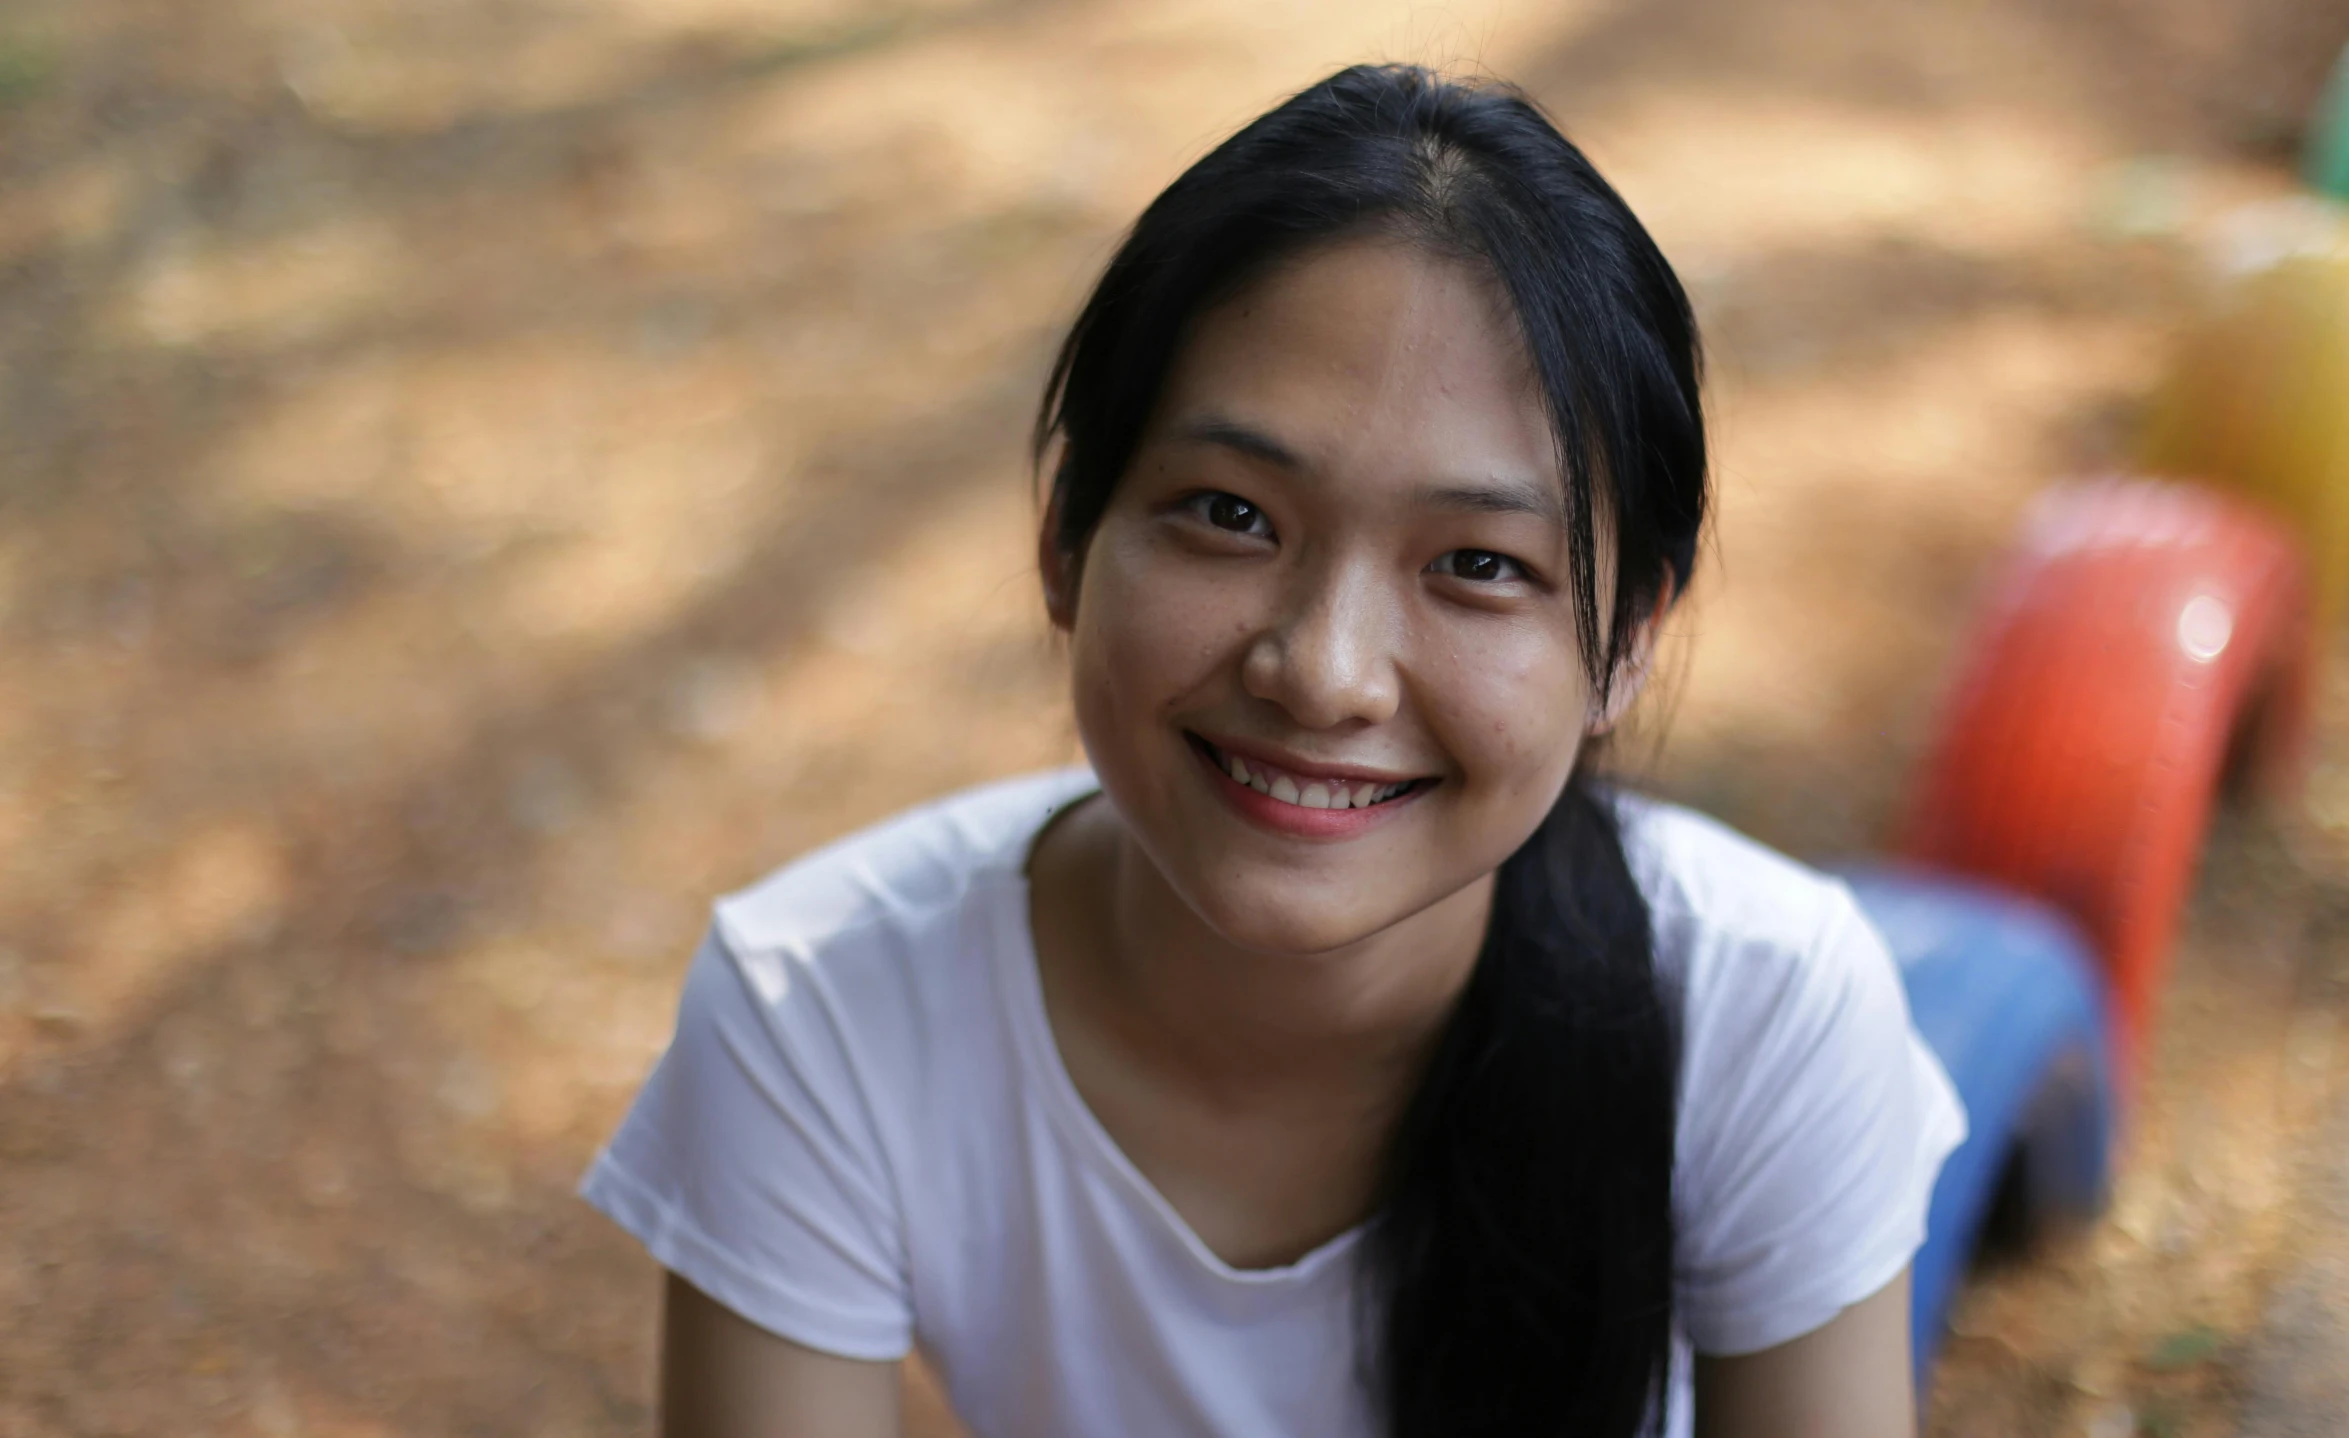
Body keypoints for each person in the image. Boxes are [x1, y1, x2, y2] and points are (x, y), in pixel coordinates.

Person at [582, 63, 1965, 1438]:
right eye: (1232, 514)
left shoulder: (1758, 1013)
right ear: (1066, 539)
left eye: (1480, 562)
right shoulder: (823, 1013)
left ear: (1624, 645)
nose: (1322, 669)